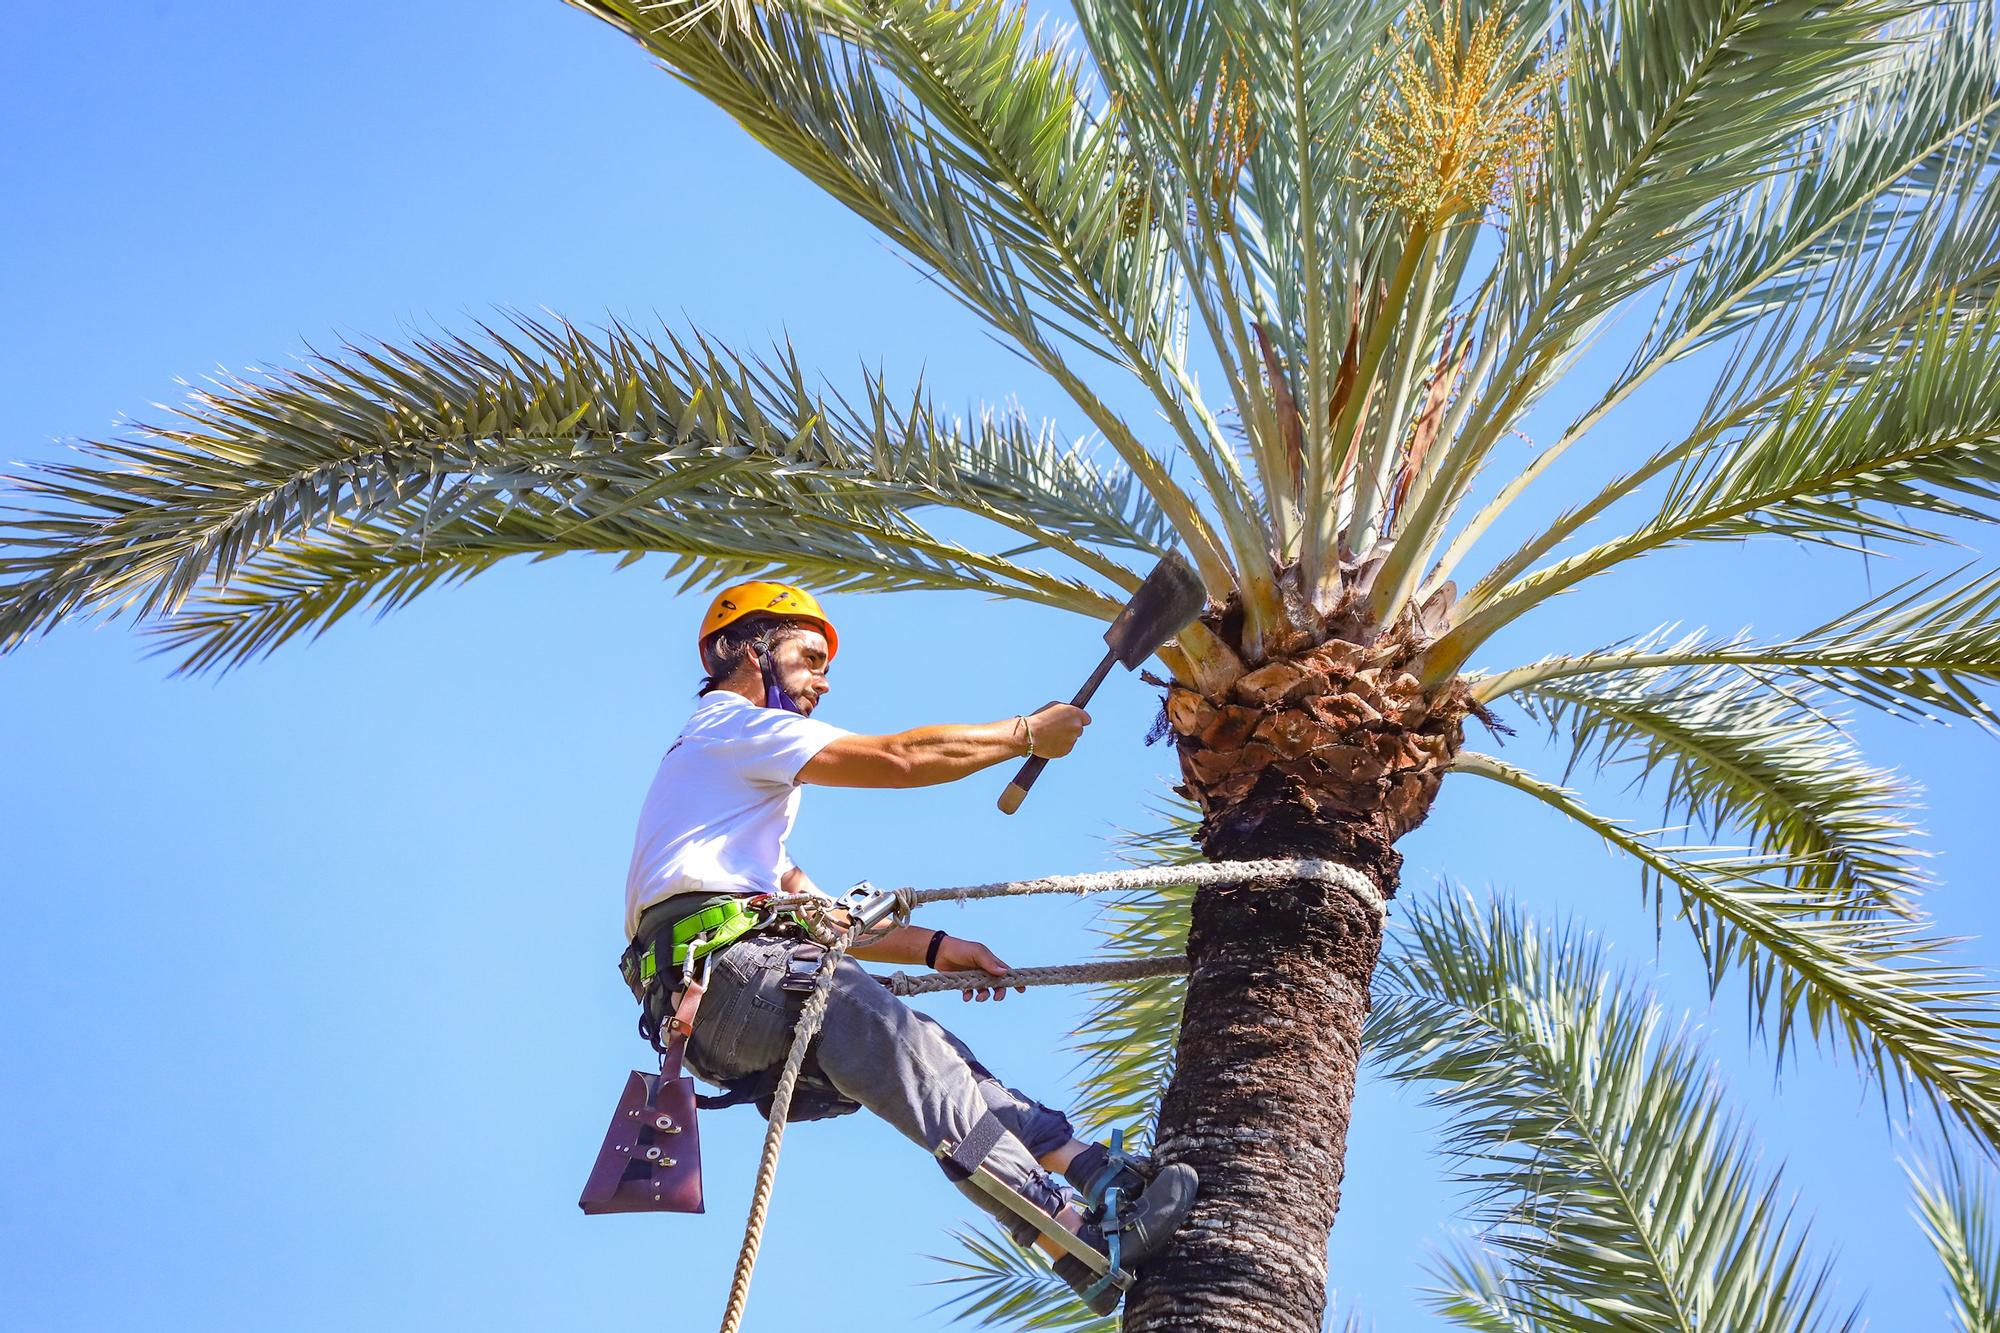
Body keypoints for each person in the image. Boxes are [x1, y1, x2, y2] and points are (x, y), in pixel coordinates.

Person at [620, 581, 1197, 1312]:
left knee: (938, 1056)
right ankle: (1079, 1238)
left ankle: (1092, 1173)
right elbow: (896, 757)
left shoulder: (730, 813)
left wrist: (936, 945)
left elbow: (824, 912)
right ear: (749, 649)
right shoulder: (732, 726)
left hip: (723, 995)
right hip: (733, 978)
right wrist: (1025, 733)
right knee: (911, 1055)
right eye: (808, 656)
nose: (823, 679)